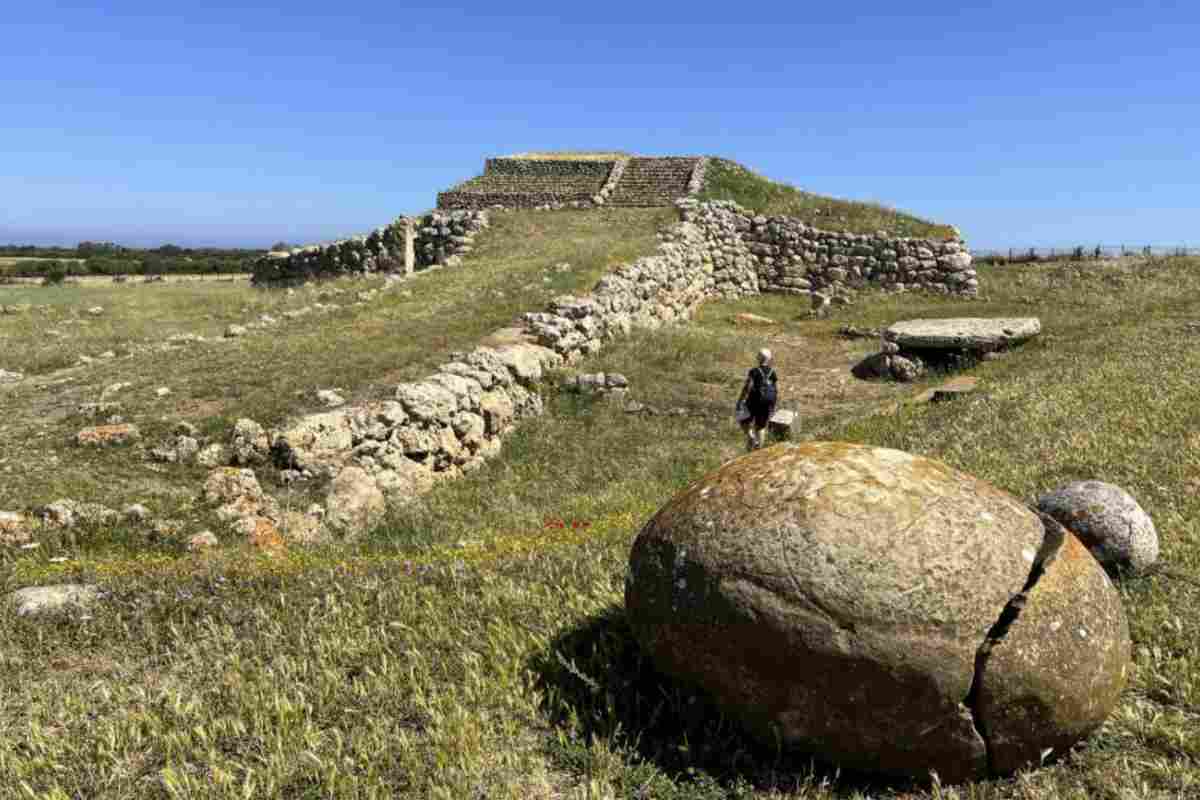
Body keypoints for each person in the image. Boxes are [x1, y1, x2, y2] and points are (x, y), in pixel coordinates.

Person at [735, 348, 778, 451]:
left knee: (743, 419)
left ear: (758, 358)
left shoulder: (754, 371)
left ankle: (751, 437)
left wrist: (740, 400)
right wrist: (773, 405)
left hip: (754, 400)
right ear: (769, 359)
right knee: (761, 427)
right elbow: (776, 389)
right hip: (768, 402)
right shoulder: (773, 372)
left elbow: (747, 386)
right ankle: (759, 450)